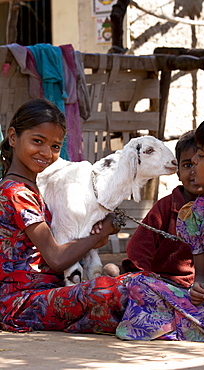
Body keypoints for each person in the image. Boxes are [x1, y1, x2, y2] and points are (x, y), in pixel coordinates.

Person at [116, 114, 204, 343]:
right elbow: (203, 275)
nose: (194, 160)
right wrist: (200, 288)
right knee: (139, 286)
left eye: (201, 155)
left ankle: (194, 325)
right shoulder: (197, 213)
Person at [0, 98, 127, 333]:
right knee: (109, 291)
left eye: (55, 147)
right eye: (37, 141)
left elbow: (73, 243)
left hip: (46, 291)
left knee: (120, 281)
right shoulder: (16, 193)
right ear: (13, 137)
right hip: (20, 303)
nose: (46, 153)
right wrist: (106, 229)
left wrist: (97, 234)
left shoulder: (33, 189)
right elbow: (57, 258)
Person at [104, 130, 204, 289]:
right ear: (178, 172)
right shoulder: (166, 207)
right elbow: (139, 246)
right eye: (187, 165)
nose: (194, 171)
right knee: (111, 271)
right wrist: (144, 277)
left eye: (201, 164)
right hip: (161, 280)